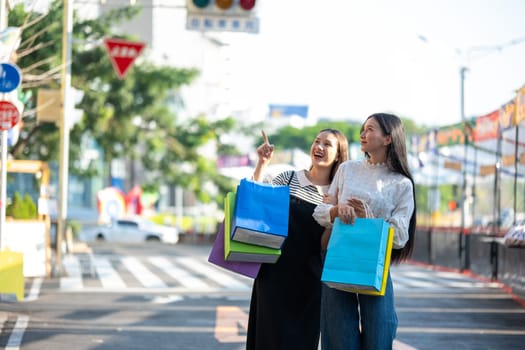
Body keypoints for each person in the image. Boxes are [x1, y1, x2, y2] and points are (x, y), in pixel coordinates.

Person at [313, 113, 416, 350]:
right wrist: (337, 211)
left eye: (370, 129)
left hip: (375, 264)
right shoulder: (347, 169)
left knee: (380, 333)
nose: (362, 134)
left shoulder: (401, 183)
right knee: (338, 335)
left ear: (388, 138)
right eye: (363, 128)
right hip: (338, 257)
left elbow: (400, 236)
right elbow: (321, 211)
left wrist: (369, 220)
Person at [246, 128, 350, 350]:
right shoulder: (288, 178)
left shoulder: (337, 194)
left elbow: (324, 245)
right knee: (267, 340)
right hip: (273, 274)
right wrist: (262, 163)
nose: (319, 147)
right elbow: (255, 202)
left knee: (301, 342)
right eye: (316, 141)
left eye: (327, 144)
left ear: (339, 155)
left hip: (310, 281)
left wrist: (334, 216)